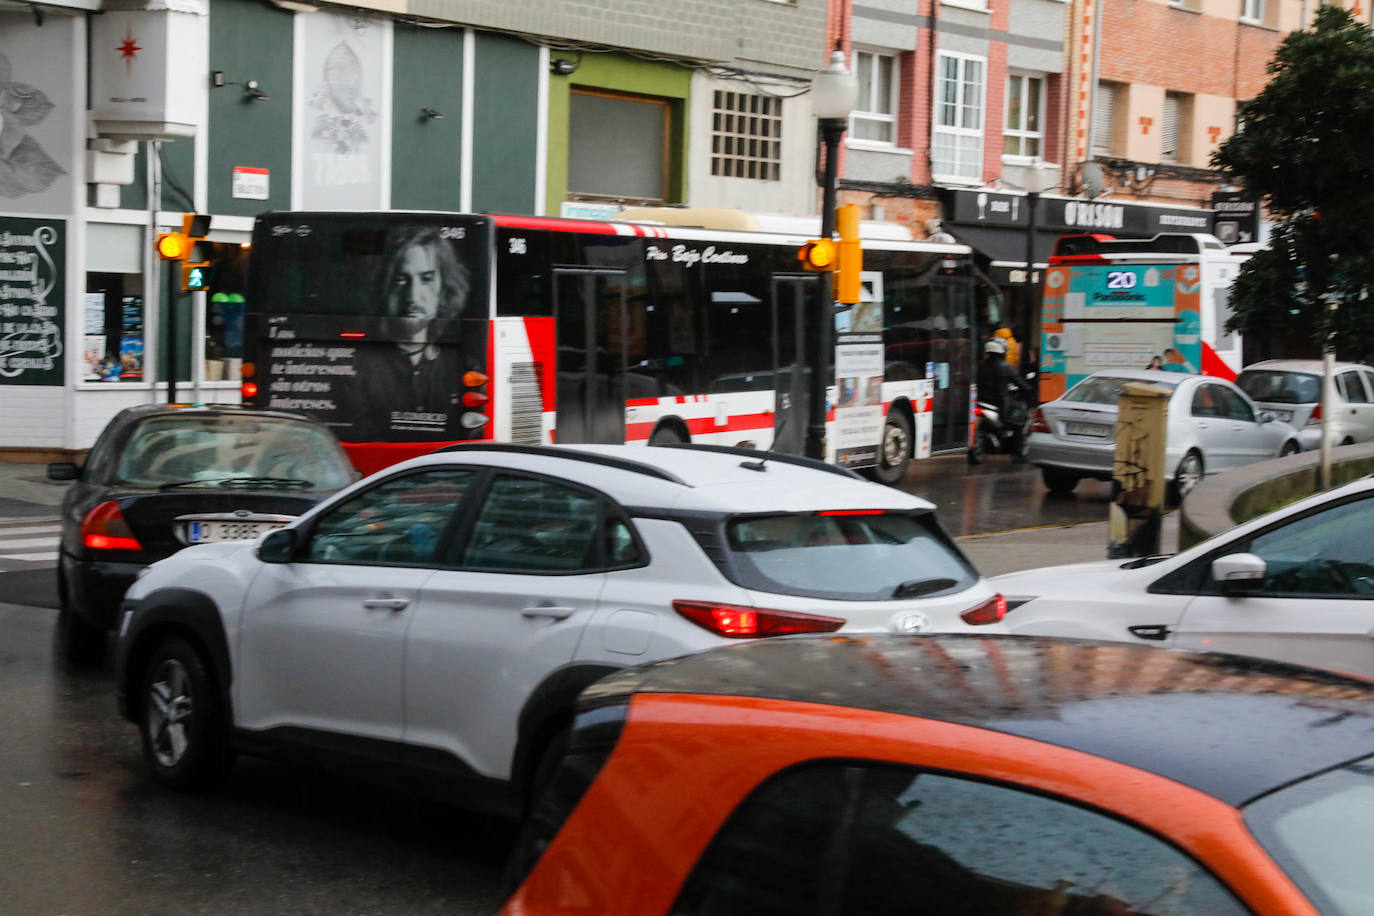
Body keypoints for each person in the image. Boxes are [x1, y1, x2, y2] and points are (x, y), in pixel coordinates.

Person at [347, 225, 486, 441]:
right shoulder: (356, 368)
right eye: (401, 279)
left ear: (444, 288)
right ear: (383, 287)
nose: (412, 296)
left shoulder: (465, 370)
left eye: (426, 279)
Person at [977, 338, 1034, 457]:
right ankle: (1017, 453)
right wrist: (1028, 389)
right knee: (1020, 420)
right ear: (1002, 352)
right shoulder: (1006, 367)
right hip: (1001, 403)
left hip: (981, 401)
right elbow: (1022, 385)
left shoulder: (980, 366)